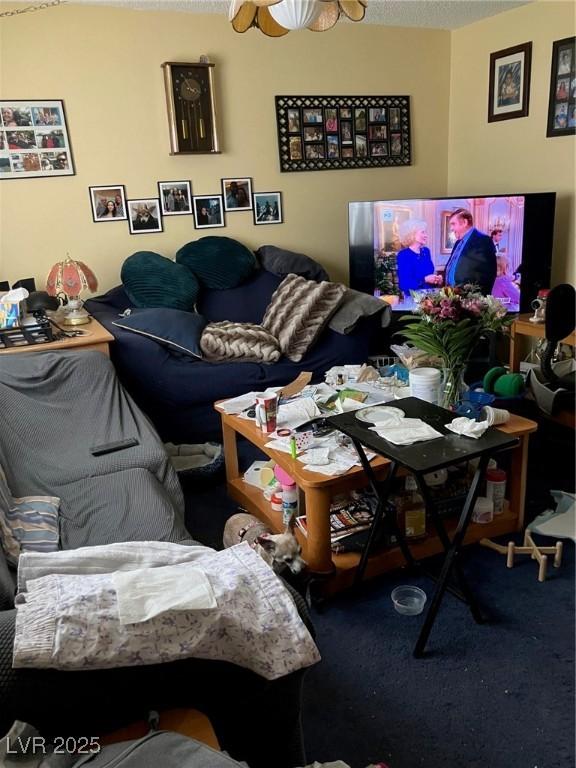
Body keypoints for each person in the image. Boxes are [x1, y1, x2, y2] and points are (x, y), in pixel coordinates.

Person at [444, 208, 496, 295]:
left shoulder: (483, 240)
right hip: (452, 297)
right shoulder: (457, 243)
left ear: (464, 222)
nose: (451, 228)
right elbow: (454, 266)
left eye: (453, 224)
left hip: (471, 300)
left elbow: (488, 275)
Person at [396, 219, 442, 294]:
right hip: (413, 299)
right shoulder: (403, 255)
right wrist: (425, 280)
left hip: (430, 297)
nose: (426, 235)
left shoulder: (426, 251)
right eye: (423, 232)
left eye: (425, 232)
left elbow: (429, 275)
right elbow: (404, 285)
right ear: (412, 234)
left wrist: (437, 279)